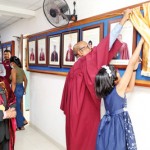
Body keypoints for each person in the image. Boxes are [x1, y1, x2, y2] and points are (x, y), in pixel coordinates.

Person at [60, 9, 132, 150]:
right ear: (80, 52)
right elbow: (106, 44)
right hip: (85, 110)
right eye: (87, 46)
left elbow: (66, 97)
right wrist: (123, 20)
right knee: (88, 139)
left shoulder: (73, 69)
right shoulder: (87, 61)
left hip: (73, 112)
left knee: (75, 138)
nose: (91, 48)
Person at [95, 37, 144, 150]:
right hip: (118, 124)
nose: (119, 73)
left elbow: (131, 87)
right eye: (117, 73)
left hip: (110, 124)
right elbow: (130, 63)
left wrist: (134, 69)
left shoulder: (107, 90)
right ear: (114, 79)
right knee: (119, 145)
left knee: (110, 145)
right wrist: (140, 42)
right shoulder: (119, 89)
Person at [0, 64, 16, 150]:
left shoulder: (3, 80)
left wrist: (12, 109)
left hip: (6, 131)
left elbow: (11, 97)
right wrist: (4, 114)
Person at [9, 56, 28, 130]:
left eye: (11, 63)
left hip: (16, 88)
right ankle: (21, 124)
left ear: (13, 63)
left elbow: (13, 82)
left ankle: (22, 122)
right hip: (21, 88)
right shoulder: (21, 69)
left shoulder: (13, 70)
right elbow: (26, 80)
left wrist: (12, 92)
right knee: (17, 106)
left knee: (15, 107)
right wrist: (25, 89)